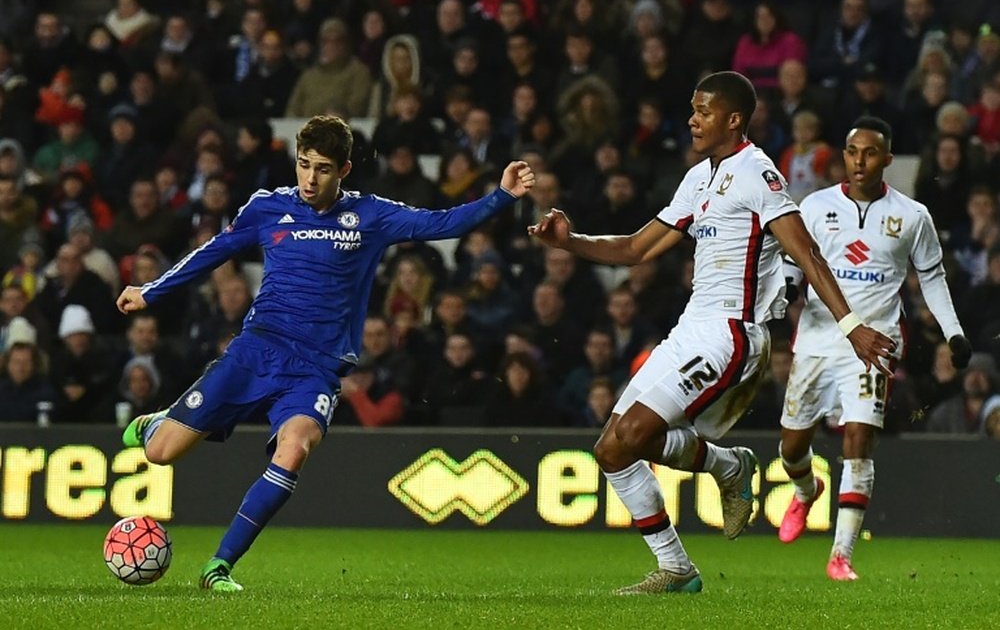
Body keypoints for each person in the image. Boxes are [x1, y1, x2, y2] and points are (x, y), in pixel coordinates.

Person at [116, 115, 535, 592]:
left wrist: (502, 196)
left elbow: (440, 223)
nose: (310, 179)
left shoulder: (370, 215)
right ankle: (158, 422)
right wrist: (152, 290)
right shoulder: (268, 207)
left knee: (294, 450)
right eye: (303, 165)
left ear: (345, 170)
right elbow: (215, 250)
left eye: (322, 169)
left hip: (315, 369)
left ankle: (220, 566)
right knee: (160, 453)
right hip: (257, 350)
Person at [528, 71, 894, 595]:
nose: (692, 119)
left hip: (732, 333)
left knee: (634, 435)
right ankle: (680, 561)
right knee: (610, 450)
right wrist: (569, 242)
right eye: (693, 109)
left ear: (733, 119)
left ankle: (726, 470)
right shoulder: (699, 176)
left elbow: (806, 251)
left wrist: (852, 326)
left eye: (702, 111)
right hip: (690, 327)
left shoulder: (758, 172)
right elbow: (636, 248)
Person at [776, 116, 971, 581]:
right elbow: (792, 261)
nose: (859, 161)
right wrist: (786, 291)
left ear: (886, 158)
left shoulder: (912, 215)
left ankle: (841, 556)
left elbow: (933, 278)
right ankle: (806, 491)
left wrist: (954, 332)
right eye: (851, 151)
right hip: (819, 338)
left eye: (869, 153)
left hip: (875, 341)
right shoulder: (815, 206)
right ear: (842, 156)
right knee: (791, 446)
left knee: (859, 436)